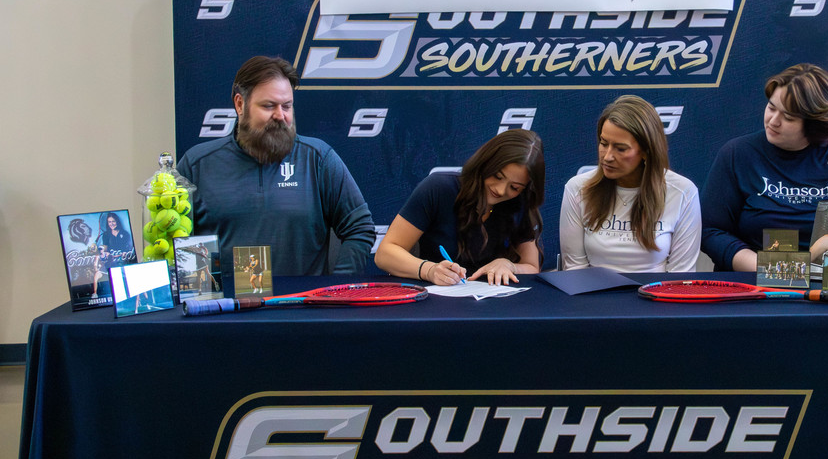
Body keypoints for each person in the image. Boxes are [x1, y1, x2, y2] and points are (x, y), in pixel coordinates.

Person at [177, 56, 374, 276]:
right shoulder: (197, 165)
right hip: (226, 298)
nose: (280, 115)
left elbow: (359, 228)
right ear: (240, 104)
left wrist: (334, 288)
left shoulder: (318, 158)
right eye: (269, 106)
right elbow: (178, 240)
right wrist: (200, 292)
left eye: (287, 106)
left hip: (304, 298)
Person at [700, 63, 828, 271]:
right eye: (771, 107)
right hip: (751, 281)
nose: (773, 121)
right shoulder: (737, 154)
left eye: (788, 117)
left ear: (815, 126)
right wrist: (762, 267)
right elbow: (710, 230)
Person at [374, 129, 545, 286]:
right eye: (497, 176)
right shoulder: (439, 188)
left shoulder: (520, 203)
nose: (500, 190)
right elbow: (385, 254)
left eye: (514, 187)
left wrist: (509, 265)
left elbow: (531, 266)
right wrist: (430, 270)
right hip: (435, 298)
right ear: (485, 162)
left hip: (494, 302)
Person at [559, 95, 701, 272]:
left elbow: (680, 276)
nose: (607, 157)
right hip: (592, 290)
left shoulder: (683, 192)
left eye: (621, 149)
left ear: (646, 151)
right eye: (603, 143)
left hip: (658, 290)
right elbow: (575, 269)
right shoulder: (578, 188)